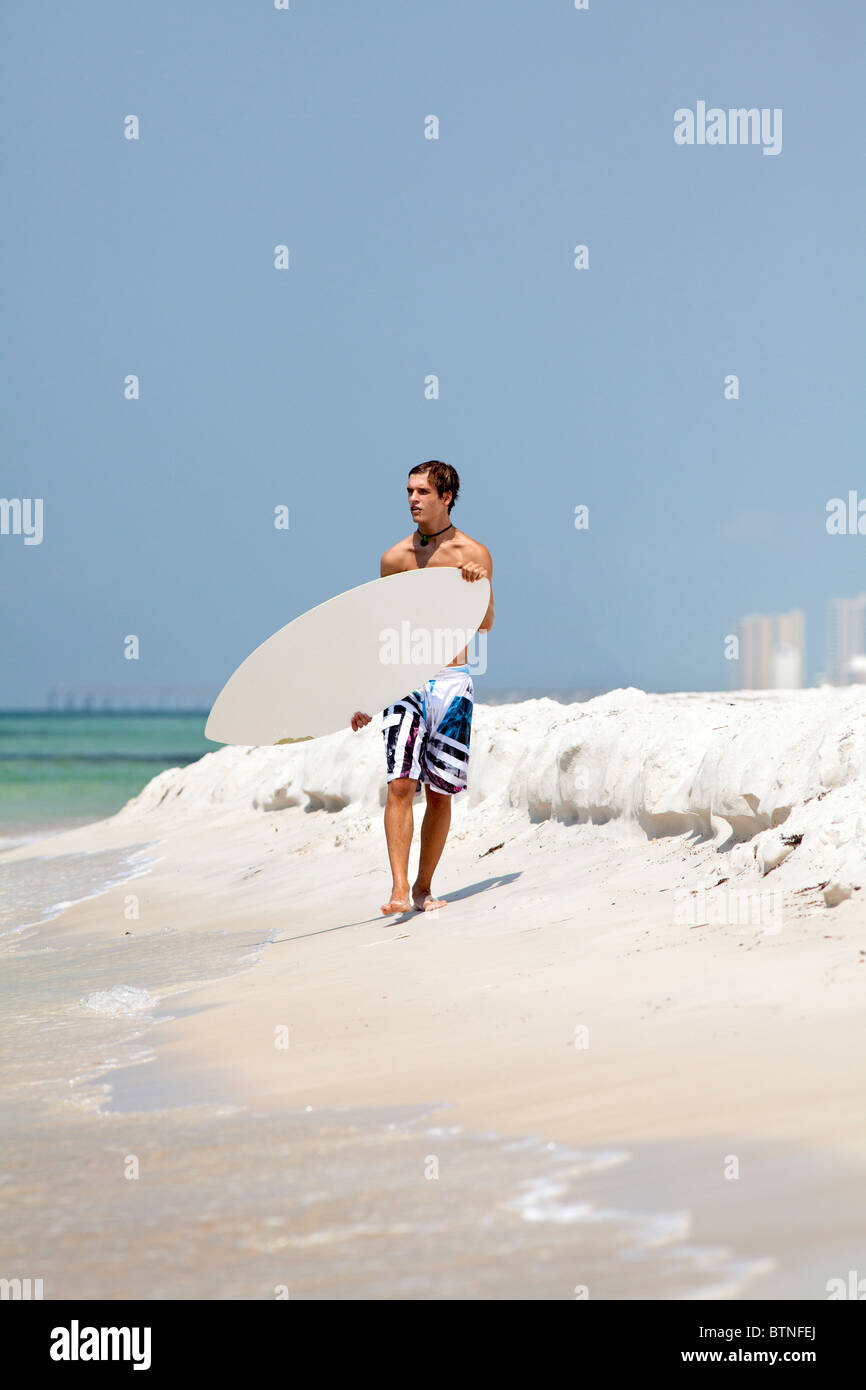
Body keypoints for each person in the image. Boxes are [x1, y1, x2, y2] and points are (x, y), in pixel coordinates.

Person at [350, 461, 494, 914]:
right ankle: (397, 888)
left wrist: (478, 584)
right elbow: (383, 630)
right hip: (405, 678)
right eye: (409, 491)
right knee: (400, 784)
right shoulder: (394, 560)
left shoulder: (473, 552)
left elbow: (485, 624)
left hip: (452, 683)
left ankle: (423, 887)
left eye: (422, 492)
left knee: (439, 791)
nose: (413, 499)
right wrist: (367, 694)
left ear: (446, 496)